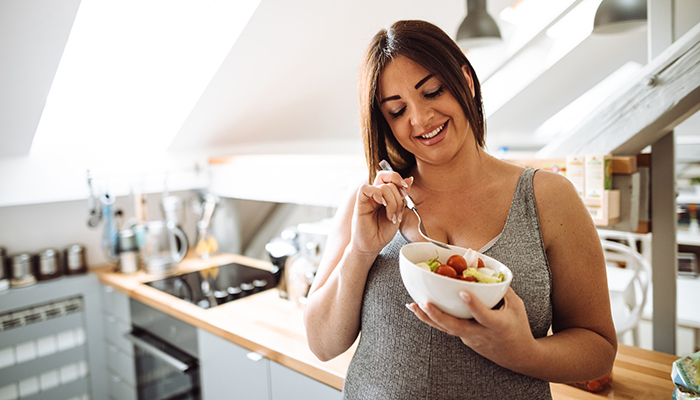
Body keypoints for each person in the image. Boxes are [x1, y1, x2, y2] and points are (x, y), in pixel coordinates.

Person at [303, 20, 617, 399]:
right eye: (397, 111)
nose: (420, 119)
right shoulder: (368, 203)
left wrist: (523, 353)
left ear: (465, 81)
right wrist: (361, 251)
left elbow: (598, 351)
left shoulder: (548, 197)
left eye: (432, 91)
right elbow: (322, 344)